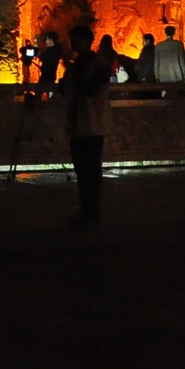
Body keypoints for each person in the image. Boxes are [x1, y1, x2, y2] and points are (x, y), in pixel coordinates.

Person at [62, 24, 111, 230]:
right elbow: (65, 88)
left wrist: (71, 71)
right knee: (82, 170)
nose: (73, 45)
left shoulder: (99, 64)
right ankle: (86, 209)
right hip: (77, 123)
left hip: (92, 123)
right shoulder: (76, 65)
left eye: (76, 40)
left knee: (91, 169)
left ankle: (92, 210)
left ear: (87, 41)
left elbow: (88, 88)